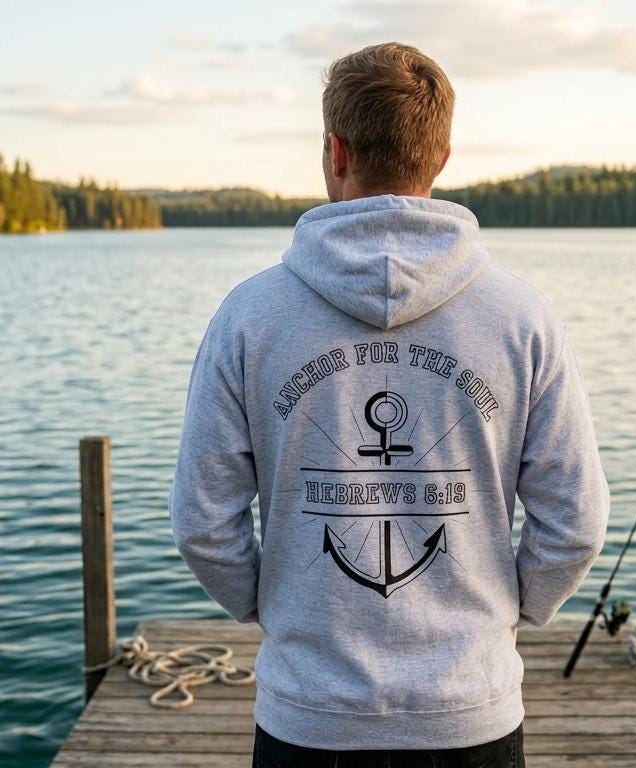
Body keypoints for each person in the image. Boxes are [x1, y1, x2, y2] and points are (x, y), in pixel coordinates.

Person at [168, 40, 610, 768]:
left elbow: (202, 521)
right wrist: (509, 612)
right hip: (471, 715)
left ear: (335, 152)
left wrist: (273, 608)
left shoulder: (249, 318)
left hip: (308, 719)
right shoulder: (522, 319)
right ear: (441, 156)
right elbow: (576, 525)